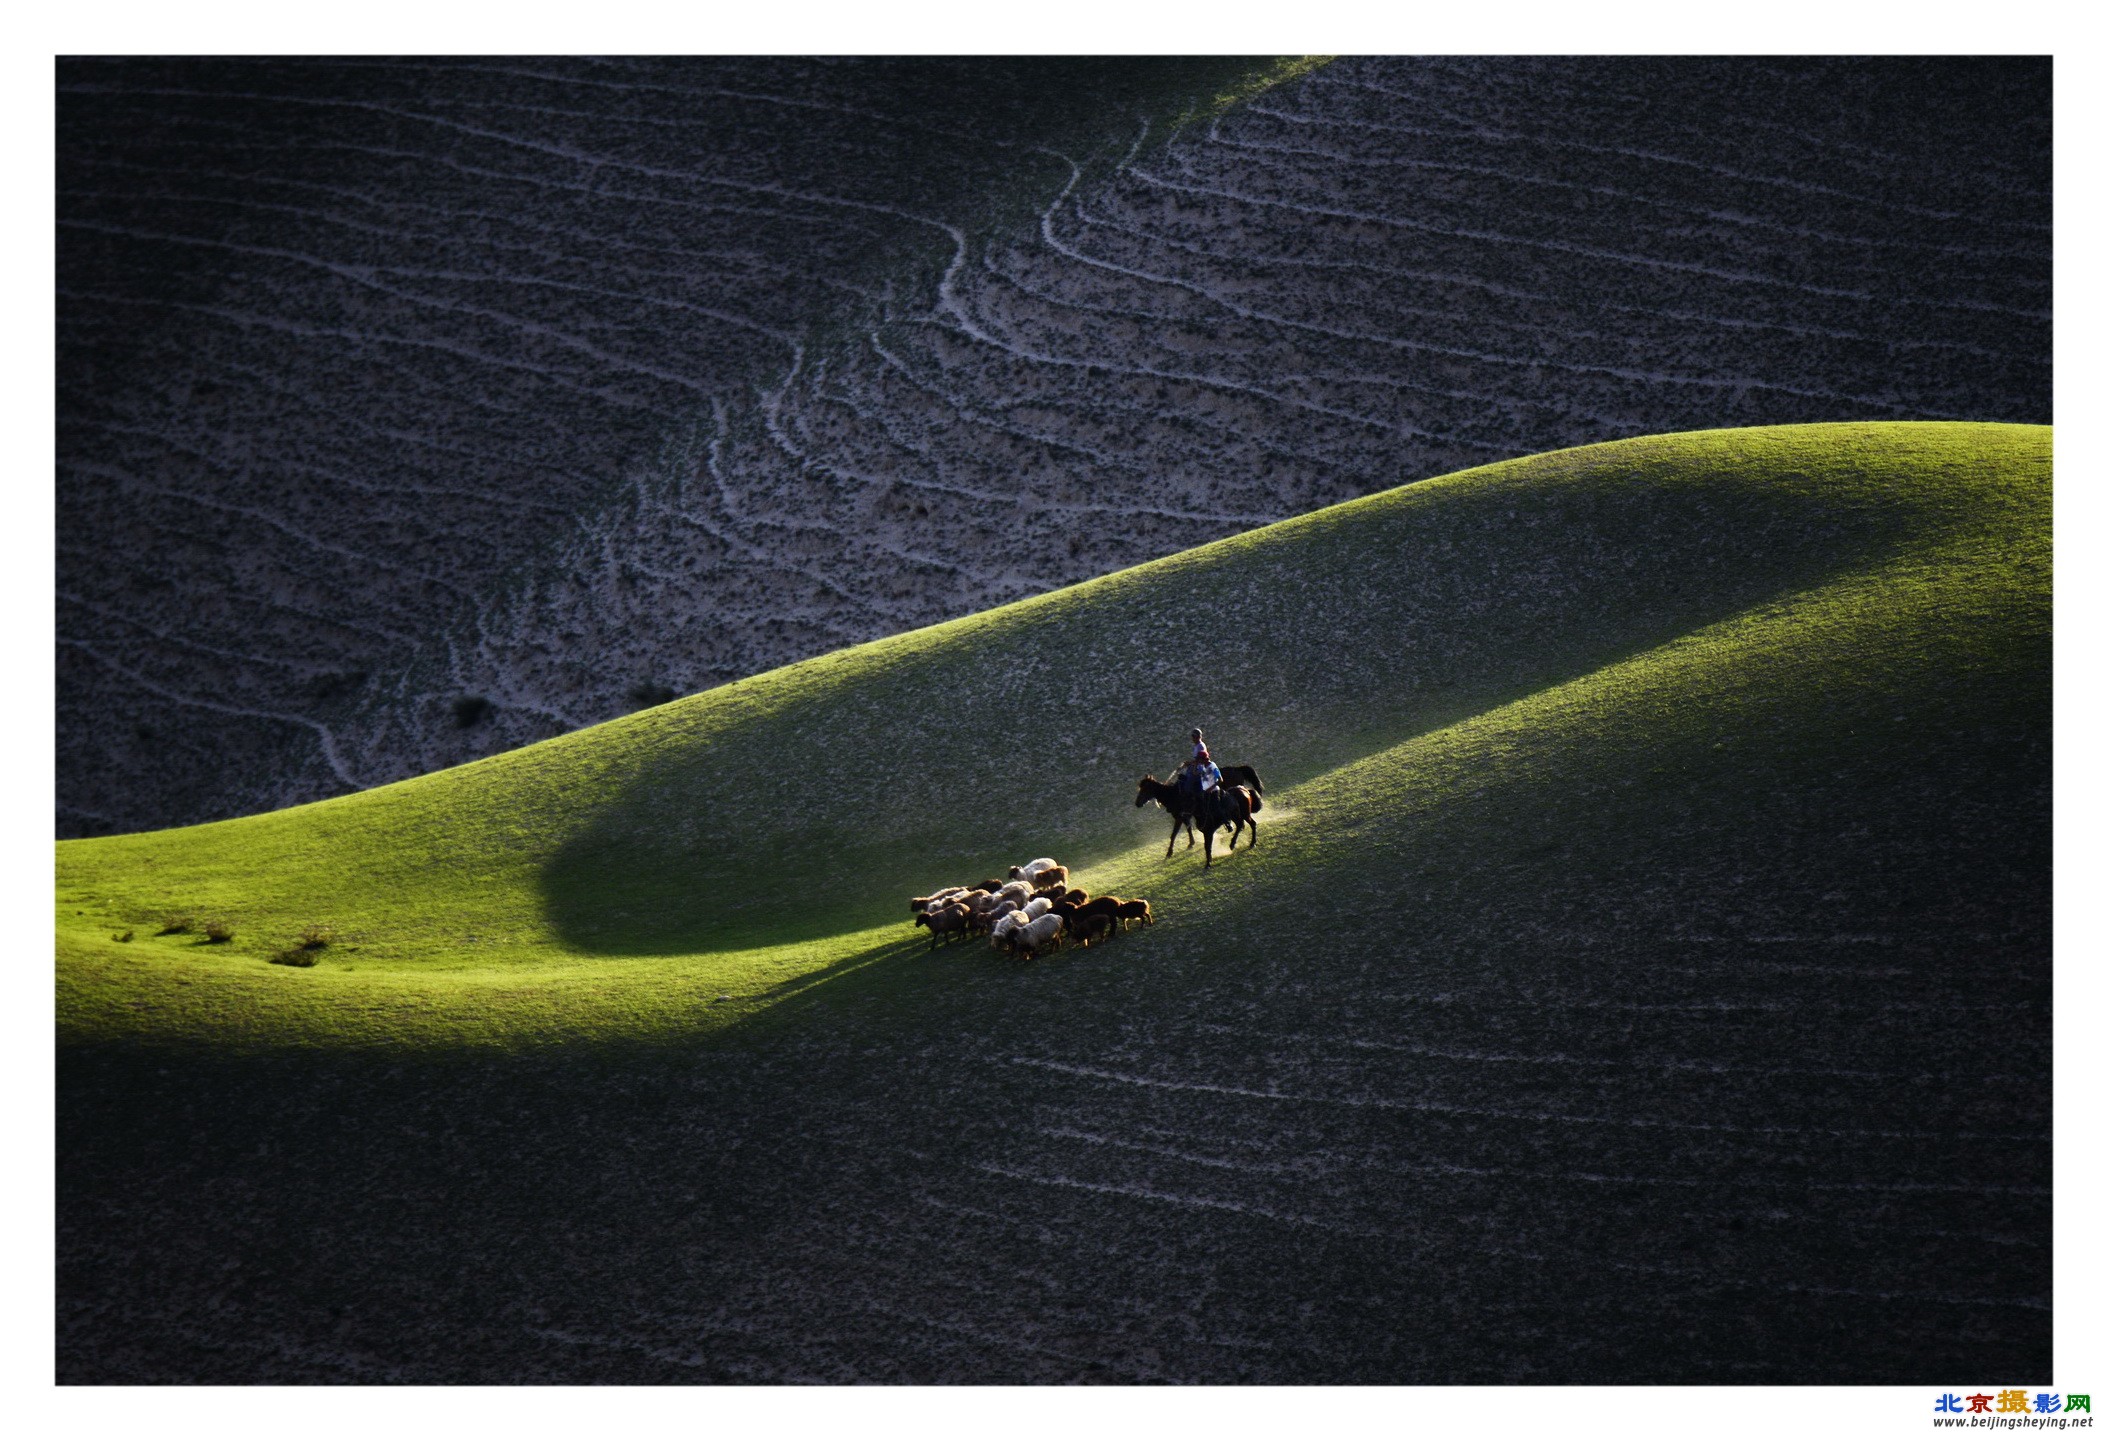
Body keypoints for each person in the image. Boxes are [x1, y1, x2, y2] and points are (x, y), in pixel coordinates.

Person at [1183, 727, 1222, 799]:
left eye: (1194, 737)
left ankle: (1189, 795)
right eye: (1192, 737)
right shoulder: (1197, 746)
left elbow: (1198, 760)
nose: (1193, 739)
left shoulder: (1200, 746)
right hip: (1198, 766)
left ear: (1198, 737)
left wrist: (1190, 763)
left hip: (1200, 766)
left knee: (1190, 779)